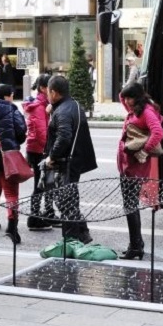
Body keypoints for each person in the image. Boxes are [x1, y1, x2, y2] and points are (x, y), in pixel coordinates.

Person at [44, 75, 97, 244]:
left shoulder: (63, 111)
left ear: (54, 92)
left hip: (66, 162)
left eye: (48, 92)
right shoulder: (73, 104)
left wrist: (52, 156)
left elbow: (64, 137)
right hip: (76, 160)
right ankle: (82, 233)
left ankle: (72, 239)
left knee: (65, 200)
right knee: (69, 198)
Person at [116, 82, 163, 260]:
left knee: (130, 206)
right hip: (127, 165)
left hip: (135, 166)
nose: (126, 101)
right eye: (126, 98)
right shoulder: (134, 108)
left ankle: (136, 246)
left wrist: (144, 151)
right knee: (129, 205)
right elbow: (122, 95)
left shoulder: (146, 111)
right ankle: (136, 244)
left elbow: (158, 133)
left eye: (130, 97)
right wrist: (128, 87)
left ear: (138, 97)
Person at [0, 83, 27, 244]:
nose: (12, 97)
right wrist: (14, 142)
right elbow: (21, 131)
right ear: (5, 96)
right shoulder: (12, 110)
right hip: (8, 156)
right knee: (11, 193)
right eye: (11, 94)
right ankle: (12, 226)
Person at [23, 74, 57, 230]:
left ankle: (49, 212)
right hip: (39, 151)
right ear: (43, 88)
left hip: (41, 149)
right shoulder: (38, 106)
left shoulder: (46, 104)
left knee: (49, 182)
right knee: (40, 184)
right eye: (51, 87)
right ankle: (34, 217)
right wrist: (51, 151)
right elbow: (41, 133)